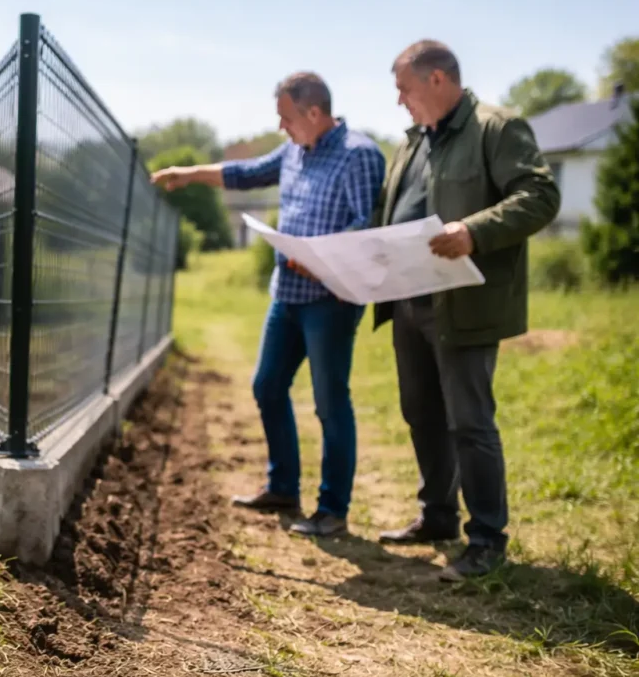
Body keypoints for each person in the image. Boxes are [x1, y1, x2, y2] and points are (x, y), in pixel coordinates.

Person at [152, 72, 386, 538]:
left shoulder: (359, 155)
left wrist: (317, 257)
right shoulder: (295, 151)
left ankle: (332, 509)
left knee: (329, 401)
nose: (282, 128)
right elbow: (247, 172)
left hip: (329, 301)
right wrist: (190, 174)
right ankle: (282, 486)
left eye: (286, 118)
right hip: (288, 294)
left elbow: (366, 226)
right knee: (267, 387)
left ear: (314, 113)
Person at [370, 41, 560, 580]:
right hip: (410, 301)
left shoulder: (497, 128)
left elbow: (540, 196)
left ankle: (486, 540)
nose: (400, 101)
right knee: (421, 412)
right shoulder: (412, 143)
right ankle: (437, 518)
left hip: (464, 305)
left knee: (469, 422)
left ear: (437, 79)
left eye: (405, 89)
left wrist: (473, 232)